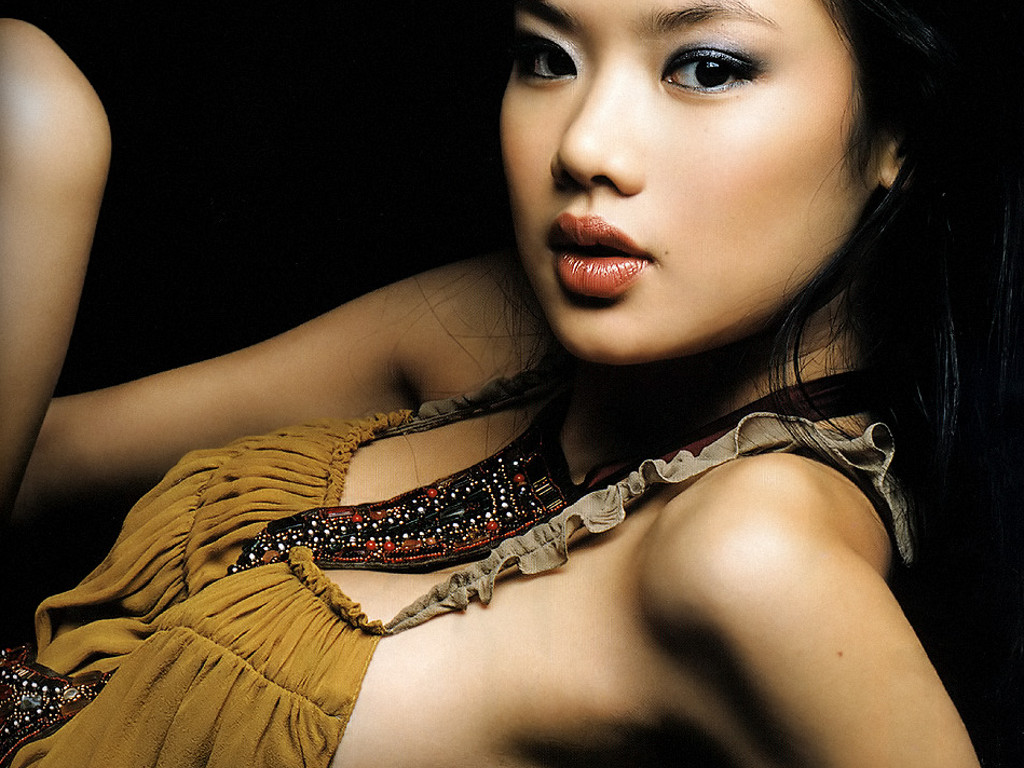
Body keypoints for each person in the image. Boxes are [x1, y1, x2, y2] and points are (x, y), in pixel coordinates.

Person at [1, 0, 1021, 765]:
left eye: (706, 67)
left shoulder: (752, 557)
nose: (584, 146)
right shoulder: (490, 333)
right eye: (547, 57)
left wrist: (43, 137)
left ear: (896, 128)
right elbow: (41, 461)